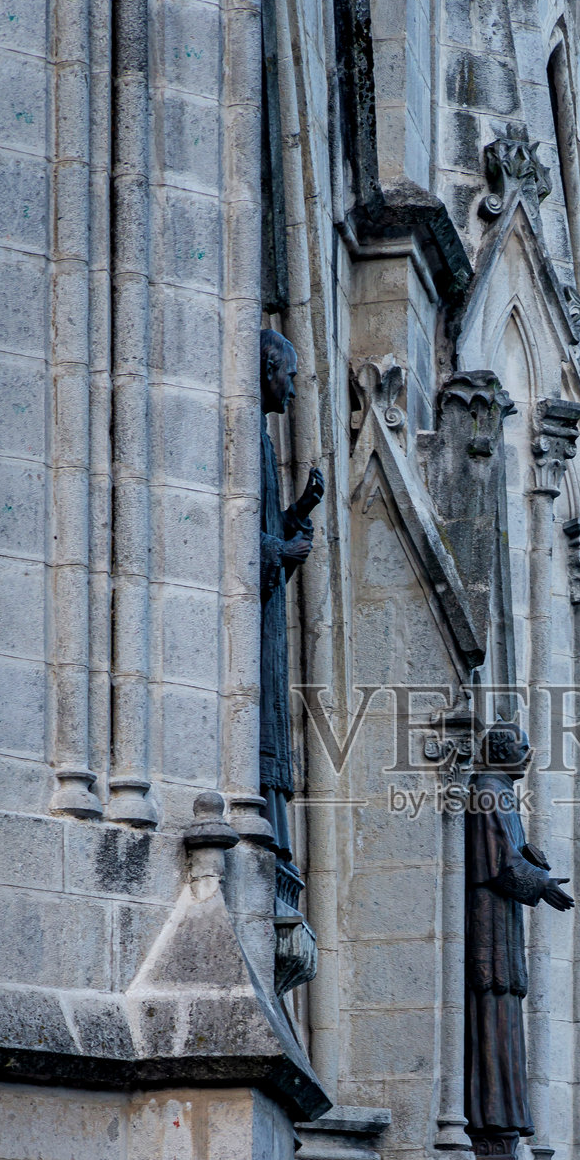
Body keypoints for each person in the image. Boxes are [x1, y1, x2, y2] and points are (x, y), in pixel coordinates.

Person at [465, 721, 573, 1148]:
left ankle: (504, 1114)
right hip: (488, 918)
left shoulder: (500, 791)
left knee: (504, 998)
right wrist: (541, 883)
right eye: (522, 747)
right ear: (499, 751)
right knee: (493, 996)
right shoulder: (489, 790)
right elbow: (499, 860)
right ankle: (492, 1116)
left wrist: (535, 871)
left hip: (501, 916)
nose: (528, 755)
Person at [259, 328, 324, 894]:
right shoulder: (244, 432)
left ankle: (278, 843)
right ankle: (270, 839)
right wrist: (281, 551)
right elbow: (228, 535)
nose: (294, 391)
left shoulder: (259, 437)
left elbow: (259, 527)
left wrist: (299, 510)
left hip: (269, 626)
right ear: (268, 369)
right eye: (291, 378)